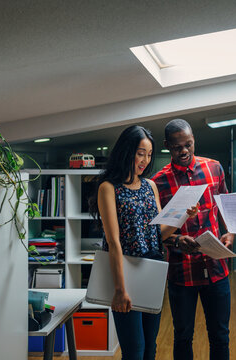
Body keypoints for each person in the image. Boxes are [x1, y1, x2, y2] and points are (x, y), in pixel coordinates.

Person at [89, 125, 198, 360]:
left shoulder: (150, 186)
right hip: (125, 273)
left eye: (149, 155)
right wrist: (119, 290)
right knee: (134, 351)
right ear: (126, 151)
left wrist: (184, 216)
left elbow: (157, 234)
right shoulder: (108, 188)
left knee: (150, 348)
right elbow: (114, 242)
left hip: (153, 270)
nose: (145, 160)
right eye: (141, 153)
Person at [151, 118, 235, 360]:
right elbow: (156, 232)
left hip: (216, 267)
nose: (184, 151)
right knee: (183, 336)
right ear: (167, 145)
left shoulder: (214, 168)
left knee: (220, 335)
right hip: (181, 271)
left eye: (188, 144)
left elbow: (225, 207)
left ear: (194, 140)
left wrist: (229, 232)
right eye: (178, 147)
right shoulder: (158, 182)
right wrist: (177, 240)